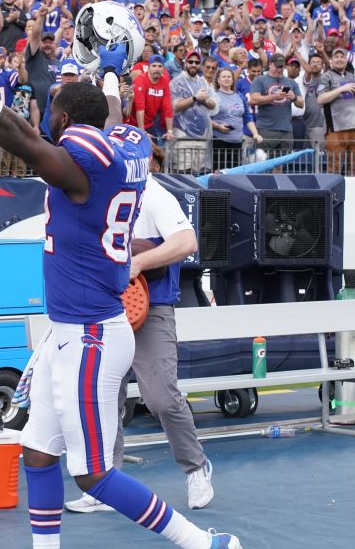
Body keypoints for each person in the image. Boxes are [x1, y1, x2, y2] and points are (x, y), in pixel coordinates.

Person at [0, 17, 242, 549]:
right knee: (37, 453)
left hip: (91, 332)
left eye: (52, 113)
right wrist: (110, 77)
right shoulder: (126, 149)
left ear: (63, 119)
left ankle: (201, 543)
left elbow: (22, 139)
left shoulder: (77, 169)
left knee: (92, 474)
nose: (44, 120)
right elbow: (106, 119)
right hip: (72, 329)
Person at [64, 152, 209, 514]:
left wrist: (140, 260)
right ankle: (105, 484)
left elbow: (187, 242)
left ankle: (196, 467)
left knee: (160, 397)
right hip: (104, 308)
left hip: (152, 308)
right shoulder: (95, 194)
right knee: (103, 398)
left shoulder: (155, 195)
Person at [316, 48, 355, 176]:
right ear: (331, 60)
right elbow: (320, 99)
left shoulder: (353, 77)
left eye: (342, 57)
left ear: (346, 60)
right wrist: (341, 89)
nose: (339, 59)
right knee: (334, 168)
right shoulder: (326, 76)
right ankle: (334, 195)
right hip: (336, 129)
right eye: (336, 57)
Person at [247, 52, 303, 157]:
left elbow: (301, 104)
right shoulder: (260, 79)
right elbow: (253, 100)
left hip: (286, 129)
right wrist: (274, 97)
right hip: (265, 128)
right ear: (270, 65)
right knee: (261, 161)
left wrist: (294, 97)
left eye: (282, 67)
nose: (279, 69)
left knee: (280, 163)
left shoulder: (291, 82)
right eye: (277, 66)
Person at [209, 67, 260, 171]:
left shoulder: (240, 96)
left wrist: (255, 133)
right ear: (218, 80)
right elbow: (205, 117)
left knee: (234, 173)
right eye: (223, 77)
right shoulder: (213, 96)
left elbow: (247, 117)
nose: (226, 79)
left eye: (229, 77)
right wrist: (218, 126)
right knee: (219, 173)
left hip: (237, 141)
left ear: (233, 80)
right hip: (219, 140)